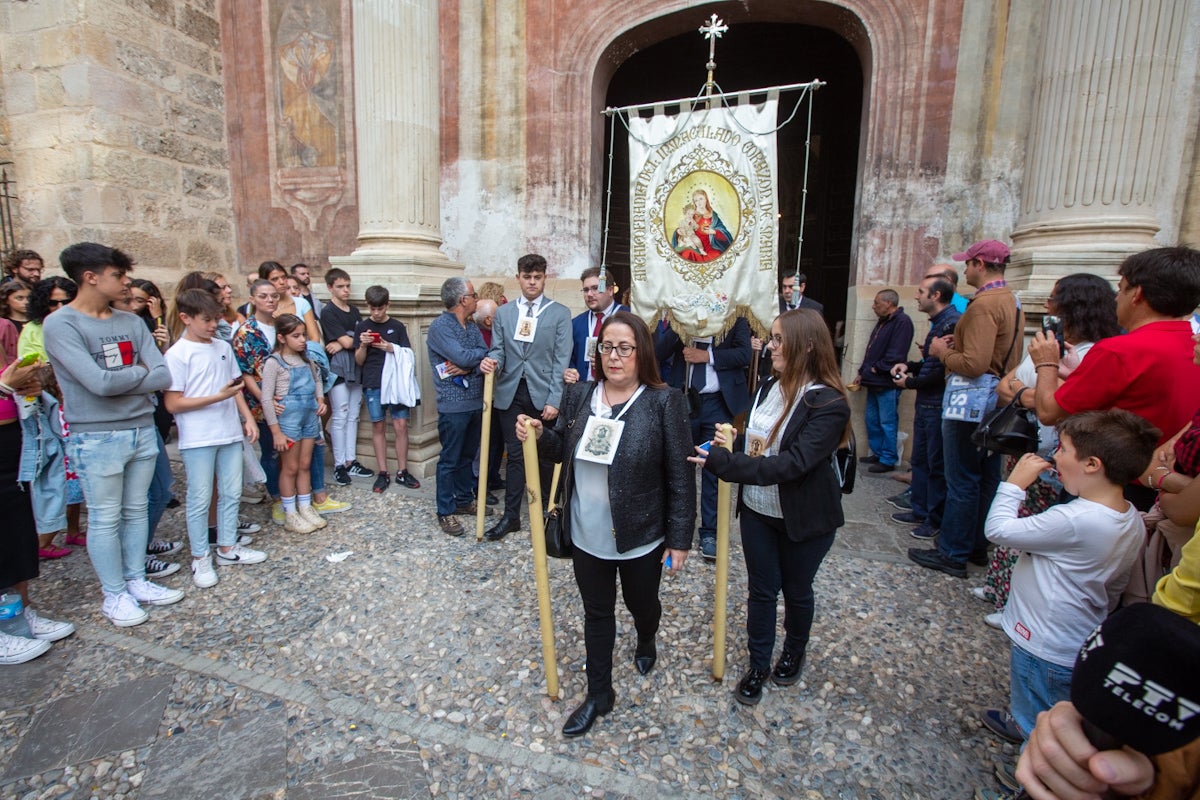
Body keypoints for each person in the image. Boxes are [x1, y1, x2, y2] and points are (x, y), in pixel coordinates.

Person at [517, 311, 694, 736]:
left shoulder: (663, 401)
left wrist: (680, 538)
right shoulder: (580, 394)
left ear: (642, 353)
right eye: (607, 347)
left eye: (625, 348)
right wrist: (542, 436)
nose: (614, 356)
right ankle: (600, 693)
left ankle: (647, 636)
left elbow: (681, 477)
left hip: (639, 535)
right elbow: (563, 449)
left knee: (641, 605)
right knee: (597, 613)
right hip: (586, 532)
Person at [691, 308, 850, 705]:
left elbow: (792, 464)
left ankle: (794, 651)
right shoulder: (766, 387)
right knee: (761, 591)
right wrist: (726, 446)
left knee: (797, 590)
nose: (769, 345)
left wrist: (729, 465)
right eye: (771, 337)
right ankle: (758, 664)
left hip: (804, 516)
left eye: (778, 339)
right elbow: (759, 445)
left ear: (807, 345)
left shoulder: (829, 404)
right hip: (760, 510)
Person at [979, 410, 1155, 745]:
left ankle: (1030, 776)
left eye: (1062, 448)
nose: (1054, 455)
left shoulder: (1074, 519)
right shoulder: (1129, 516)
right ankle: (1023, 722)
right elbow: (1117, 583)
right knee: (1048, 706)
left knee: (1043, 723)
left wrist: (1014, 484)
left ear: (1091, 464)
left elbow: (998, 529)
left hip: (1045, 642)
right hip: (1076, 635)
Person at [44, 242, 184, 627]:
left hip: (140, 427)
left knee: (137, 509)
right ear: (91, 277)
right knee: (105, 517)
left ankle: (136, 579)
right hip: (97, 435)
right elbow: (97, 383)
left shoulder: (130, 322)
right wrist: (138, 375)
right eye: (118, 276)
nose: (126, 284)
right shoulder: (62, 325)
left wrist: (123, 379)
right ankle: (114, 594)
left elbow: (163, 374)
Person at [980, 274, 1122, 621]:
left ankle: (1016, 605)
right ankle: (1000, 589)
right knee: (1017, 511)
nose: (1046, 304)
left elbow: (1050, 409)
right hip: (1033, 445)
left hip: (1057, 455)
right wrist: (1037, 392)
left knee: (1035, 528)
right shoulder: (1050, 343)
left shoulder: (1093, 354)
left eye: (1055, 297)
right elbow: (1007, 385)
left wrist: (1038, 386)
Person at [1030, 246, 1200, 511]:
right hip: (1166, 485)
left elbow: (1048, 411)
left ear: (1138, 294)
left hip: (1114, 486)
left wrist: (1047, 362)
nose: (1117, 299)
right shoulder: (1193, 344)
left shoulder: (1120, 350)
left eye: (1121, 289)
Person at [910, 239, 1025, 578]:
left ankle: (952, 551)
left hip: (971, 400)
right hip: (996, 398)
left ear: (980, 264)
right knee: (984, 478)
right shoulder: (1011, 299)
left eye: (968, 263)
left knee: (961, 478)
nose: (964, 269)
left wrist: (940, 352)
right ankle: (975, 544)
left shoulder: (984, 305)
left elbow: (973, 364)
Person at [164, 290, 266, 587]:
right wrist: (215, 397)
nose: (213, 325)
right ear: (186, 318)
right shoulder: (177, 355)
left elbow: (233, 387)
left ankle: (227, 547)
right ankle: (200, 557)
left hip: (229, 432)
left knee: (232, 492)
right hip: (198, 437)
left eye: (216, 318)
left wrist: (246, 417)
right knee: (199, 497)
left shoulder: (222, 346)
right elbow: (173, 403)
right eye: (206, 320)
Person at [479, 254, 572, 540]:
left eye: (538, 277)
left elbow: (561, 359)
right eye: (527, 277)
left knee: (545, 454)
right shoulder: (505, 314)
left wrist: (555, 399)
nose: (532, 282)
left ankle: (547, 511)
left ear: (545, 278)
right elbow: (498, 350)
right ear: (518, 277)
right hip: (510, 391)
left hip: (542, 392)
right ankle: (511, 517)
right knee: (516, 456)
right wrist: (490, 361)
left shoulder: (559, 313)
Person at [656, 314, 753, 560]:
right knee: (678, 465)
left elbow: (744, 354)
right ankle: (674, 528)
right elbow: (658, 351)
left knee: (714, 466)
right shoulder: (682, 316)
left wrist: (707, 357)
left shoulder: (735, 316)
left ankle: (709, 532)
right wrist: (681, 326)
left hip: (718, 403)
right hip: (684, 401)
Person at [0, 354, 76, 664]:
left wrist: (22, 387)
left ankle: (20, 615)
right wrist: (5, 386)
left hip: (11, 453)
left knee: (17, 536)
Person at [890, 275, 961, 538]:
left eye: (921, 291)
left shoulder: (951, 324)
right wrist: (910, 366)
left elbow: (942, 370)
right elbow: (931, 363)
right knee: (920, 460)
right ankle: (919, 509)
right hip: (926, 404)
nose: (916, 296)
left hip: (936, 404)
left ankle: (934, 518)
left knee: (935, 465)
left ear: (936, 296)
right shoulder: (939, 323)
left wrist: (909, 382)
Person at [427, 277, 490, 536]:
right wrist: (470, 361)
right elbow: (467, 355)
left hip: (475, 401)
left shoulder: (472, 326)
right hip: (453, 406)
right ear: (463, 300)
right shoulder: (440, 327)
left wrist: (467, 366)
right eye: (473, 295)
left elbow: (485, 351)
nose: (476, 299)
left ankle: (464, 500)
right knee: (450, 460)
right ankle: (445, 511)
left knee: (467, 456)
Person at [262, 314, 328, 534]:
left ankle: (305, 506)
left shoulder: (307, 359)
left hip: (309, 416)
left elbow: (317, 379)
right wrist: (276, 431)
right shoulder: (274, 362)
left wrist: (320, 400)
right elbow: (266, 397)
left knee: (305, 464)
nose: (302, 340)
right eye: (296, 336)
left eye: (303, 335)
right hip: (288, 420)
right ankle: (290, 512)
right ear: (281, 337)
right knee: (289, 467)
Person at [354, 285, 420, 493]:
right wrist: (364, 345)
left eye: (380, 308)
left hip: (396, 383)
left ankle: (402, 470)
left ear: (387, 305)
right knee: (378, 426)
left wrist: (391, 348)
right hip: (373, 381)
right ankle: (383, 472)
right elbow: (359, 361)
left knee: (401, 425)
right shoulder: (362, 327)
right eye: (372, 309)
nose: (376, 313)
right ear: (368, 306)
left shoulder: (397, 326)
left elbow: (408, 355)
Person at [851, 289, 913, 473]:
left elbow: (896, 354)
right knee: (872, 419)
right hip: (872, 381)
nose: (873, 306)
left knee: (887, 421)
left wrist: (876, 368)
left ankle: (888, 458)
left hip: (886, 382)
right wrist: (863, 372)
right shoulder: (883, 322)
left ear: (888, 303)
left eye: (877, 303)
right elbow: (871, 350)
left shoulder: (902, 322)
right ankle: (877, 452)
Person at [319, 268, 372, 486]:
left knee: (353, 416)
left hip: (356, 366)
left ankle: (351, 460)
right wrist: (351, 339)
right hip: (339, 369)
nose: (346, 290)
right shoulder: (329, 312)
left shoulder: (354, 311)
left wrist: (347, 340)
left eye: (347, 285)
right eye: (340, 286)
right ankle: (339, 463)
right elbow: (352, 341)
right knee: (340, 415)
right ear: (330, 287)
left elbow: (351, 341)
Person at [234, 279, 283, 511]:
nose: (270, 300)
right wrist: (266, 398)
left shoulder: (282, 325)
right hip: (261, 401)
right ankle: (275, 495)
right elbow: (245, 373)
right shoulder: (246, 332)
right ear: (252, 299)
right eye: (264, 296)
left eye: (274, 296)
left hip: (286, 397)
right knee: (270, 449)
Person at [565, 267, 629, 384]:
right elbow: (569, 357)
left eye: (595, 288)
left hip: (618, 389)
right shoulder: (576, 323)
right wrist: (570, 371)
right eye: (585, 290)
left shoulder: (629, 318)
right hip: (583, 390)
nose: (589, 294)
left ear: (610, 290)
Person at [260, 261, 320, 341]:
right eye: (275, 279)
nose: (281, 282)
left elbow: (314, 338)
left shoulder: (301, 303)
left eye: (284, 277)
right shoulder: (262, 306)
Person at [672, 189, 732, 262]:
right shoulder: (691, 213)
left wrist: (714, 232)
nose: (699, 202)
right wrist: (678, 231)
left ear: (706, 199)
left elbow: (724, 232)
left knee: (716, 256)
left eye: (701, 199)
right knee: (686, 254)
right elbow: (683, 225)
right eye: (696, 200)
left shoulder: (713, 216)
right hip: (693, 242)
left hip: (710, 245)